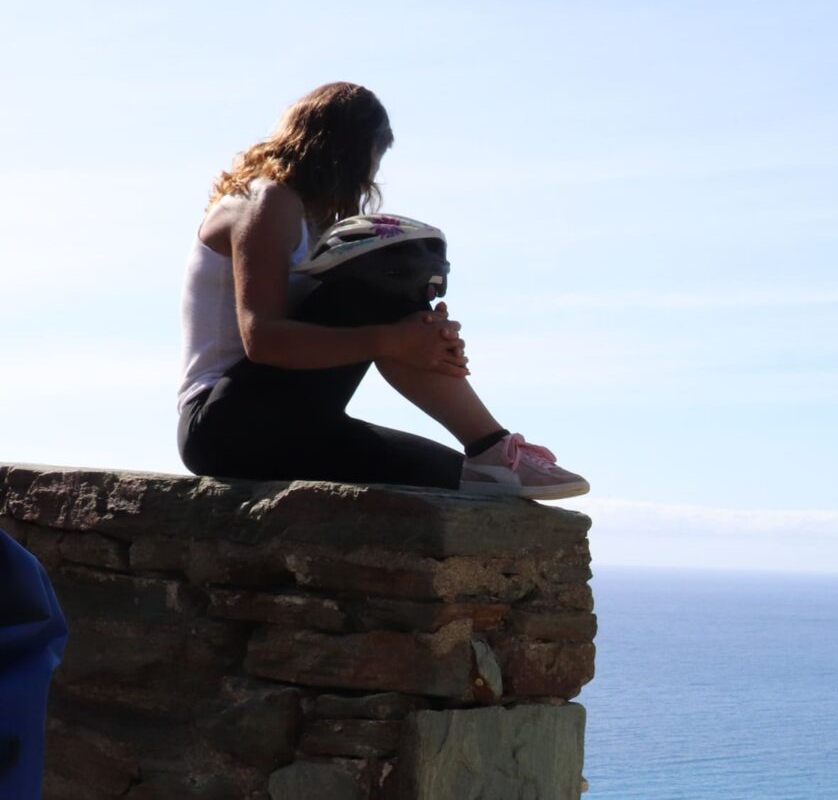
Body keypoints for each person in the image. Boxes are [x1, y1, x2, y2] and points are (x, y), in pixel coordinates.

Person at [177, 82, 587, 499]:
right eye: (377, 155)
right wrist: (395, 339)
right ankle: (492, 444)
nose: (374, 172)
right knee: (384, 278)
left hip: (294, 422)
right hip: (224, 422)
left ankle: (491, 456)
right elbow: (262, 339)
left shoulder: (307, 218)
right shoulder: (266, 200)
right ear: (354, 150)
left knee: (468, 481)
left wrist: (424, 339)